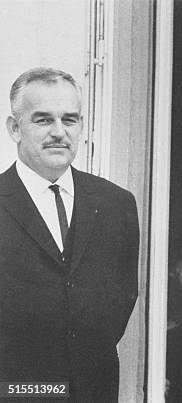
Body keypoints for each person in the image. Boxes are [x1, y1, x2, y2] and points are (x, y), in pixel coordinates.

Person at [0, 68, 139, 402]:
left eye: (70, 119)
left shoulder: (116, 203)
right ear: (15, 128)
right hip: (16, 391)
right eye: (43, 120)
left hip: (94, 389)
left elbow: (123, 295)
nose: (59, 132)